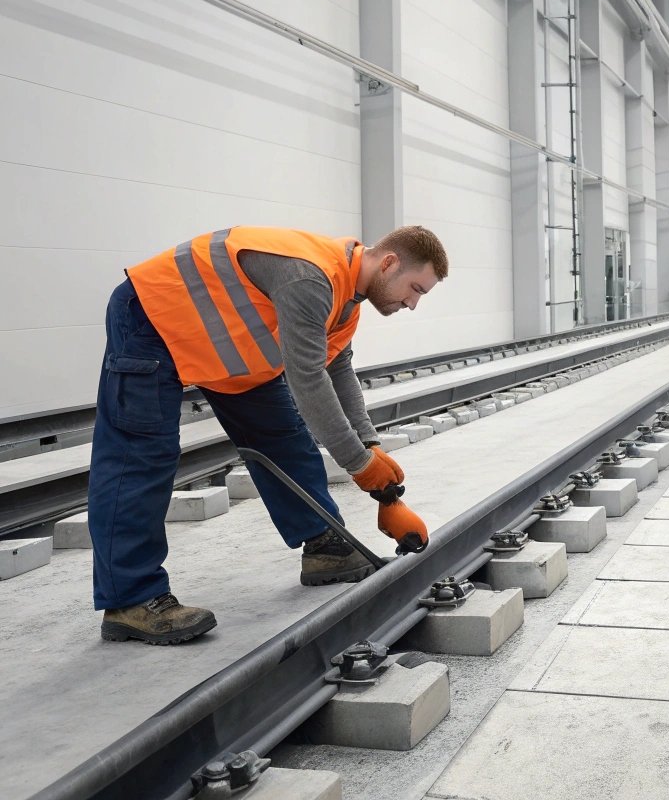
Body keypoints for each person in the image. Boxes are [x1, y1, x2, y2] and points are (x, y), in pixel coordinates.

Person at [88, 225, 448, 644]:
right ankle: (131, 599)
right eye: (415, 288)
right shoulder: (311, 278)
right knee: (141, 455)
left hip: (221, 340)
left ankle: (324, 547)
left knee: (282, 435)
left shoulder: (347, 299)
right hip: (151, 316)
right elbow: (308, 380)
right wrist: (360, 466)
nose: (413, 302)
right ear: (389, 263)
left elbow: (337, 369)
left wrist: (371, 448)